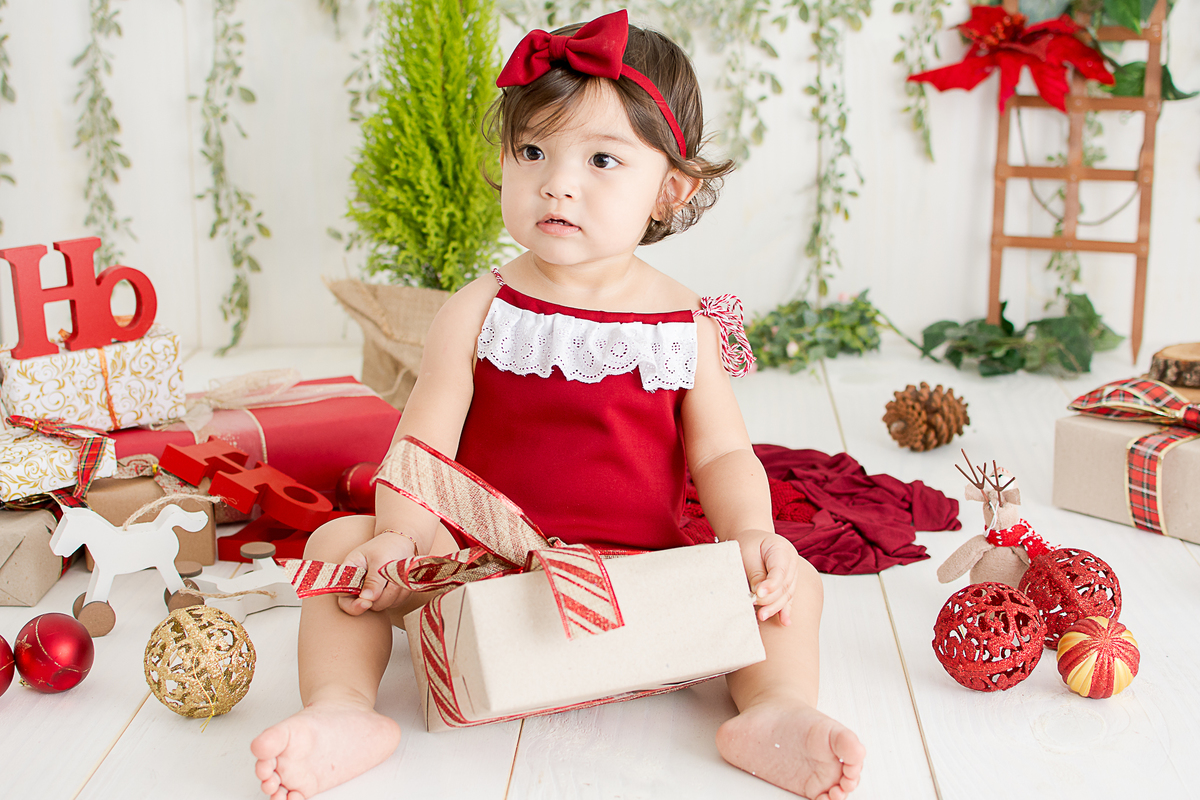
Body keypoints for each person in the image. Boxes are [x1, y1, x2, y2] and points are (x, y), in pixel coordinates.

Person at [251, 10, 865, 800]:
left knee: (791, 581)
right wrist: (401, 540)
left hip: (639, 573)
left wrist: (751, 535)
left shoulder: (686, 324)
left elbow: (721, 454)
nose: (557, 182)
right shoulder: (479, 308)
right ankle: (341, 708)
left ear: (670, 191)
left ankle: (775, 709)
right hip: (481, 565)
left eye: (602, 159)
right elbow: (422, 448)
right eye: (533, 151)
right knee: (341, 544)